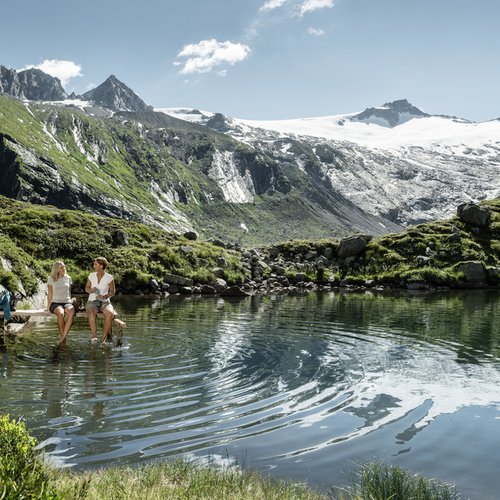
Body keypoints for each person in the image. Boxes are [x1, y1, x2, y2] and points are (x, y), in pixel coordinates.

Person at [85, 257, 117, 344]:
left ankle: (103, 339)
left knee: (110, 313)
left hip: (105, 302)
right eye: (94, 264)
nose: (93, 266)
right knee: (91, 311)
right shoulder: (91, 275)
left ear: (101, 266)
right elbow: (86, 289)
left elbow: (112, 291)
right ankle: (94, 336)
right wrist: (91, 290)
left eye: (95, 264)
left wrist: (105, 296)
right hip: (92, 301)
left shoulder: (109, 277)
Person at [47, 261, 75, 343]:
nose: (64, 269)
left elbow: (69, 292)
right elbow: (50, 293)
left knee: (71, 312)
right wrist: (48, 306)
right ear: (57, 269)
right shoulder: (51, 278)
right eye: (61, 267)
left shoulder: (68, 278)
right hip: (55, 303)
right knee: (60, 313)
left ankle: (63, 337)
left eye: (64, 267)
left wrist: (70, 301)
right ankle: (63, 337)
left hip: (67, 302)